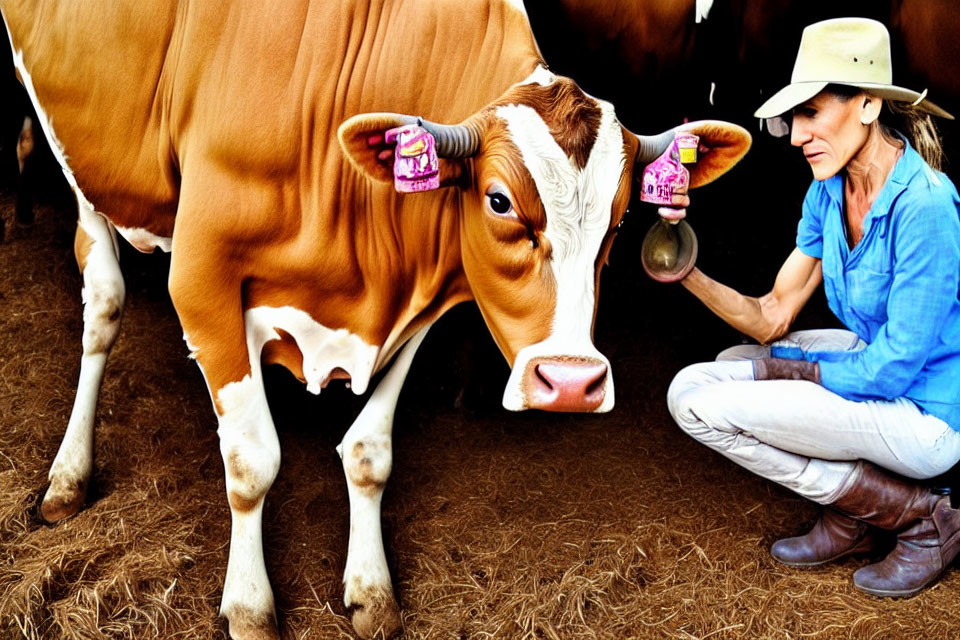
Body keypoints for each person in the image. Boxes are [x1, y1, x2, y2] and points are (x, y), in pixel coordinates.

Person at [666, 17, 960, 598]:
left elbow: (895, 367)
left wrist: (792, 369)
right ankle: (857, 511)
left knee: (695, 405)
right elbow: (773, 312)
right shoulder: (827, 189)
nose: (797, 135)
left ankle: (921, 518)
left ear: (869, 106)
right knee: (724, 362)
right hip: (876, 373)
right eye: (794, 117)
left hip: (926, 413)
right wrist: (684, 268)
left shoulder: (925, 205)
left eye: (813, 113)